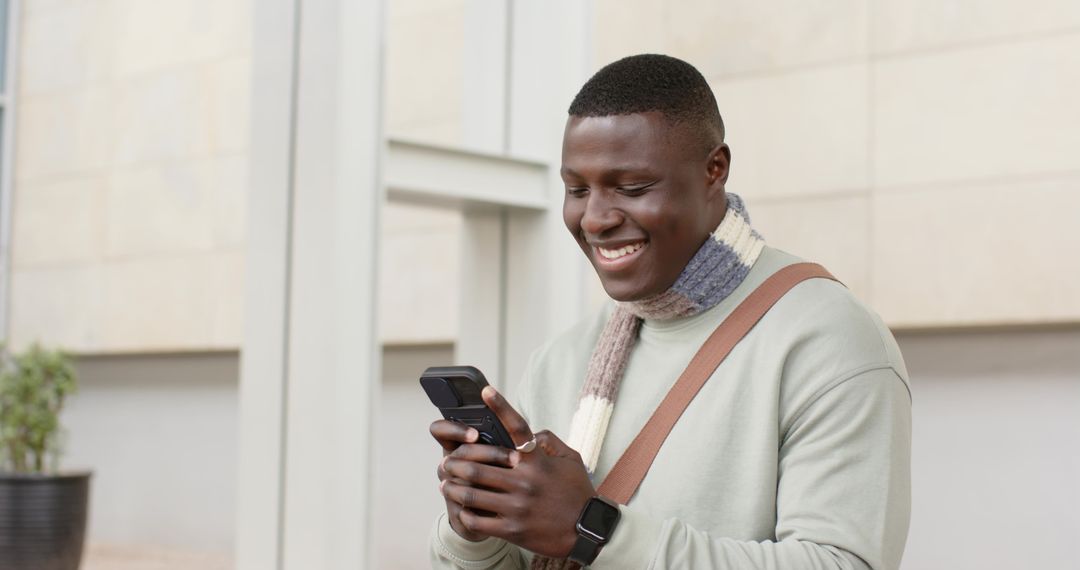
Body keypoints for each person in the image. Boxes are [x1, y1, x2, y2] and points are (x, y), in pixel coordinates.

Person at [429, 54, 911, 570]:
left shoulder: (827, 338)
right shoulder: (564, 357)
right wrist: (477, 526)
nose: (595, 218)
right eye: (576, 190)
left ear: (714, 170)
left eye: (632, 188)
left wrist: (594, 528)